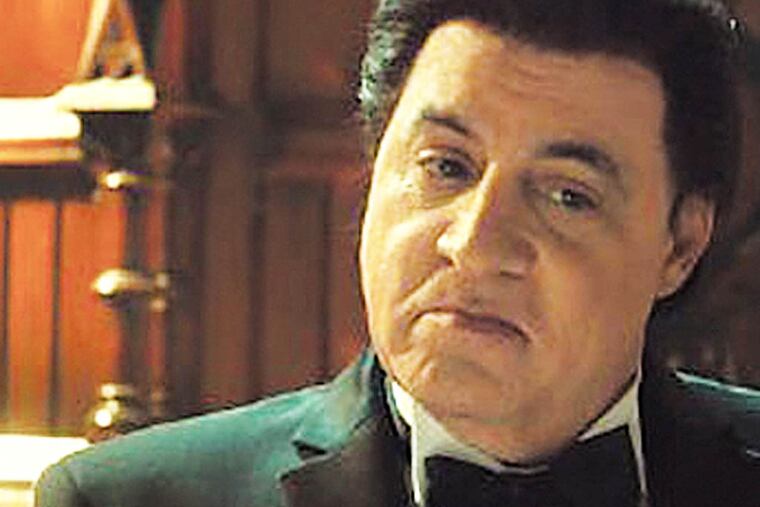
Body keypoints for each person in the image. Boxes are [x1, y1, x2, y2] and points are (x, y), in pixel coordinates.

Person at [37, 0, 760, 506]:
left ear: (681, 244)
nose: (472, 244)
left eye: (568, 195)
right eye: (446, 166)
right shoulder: (126, 499)